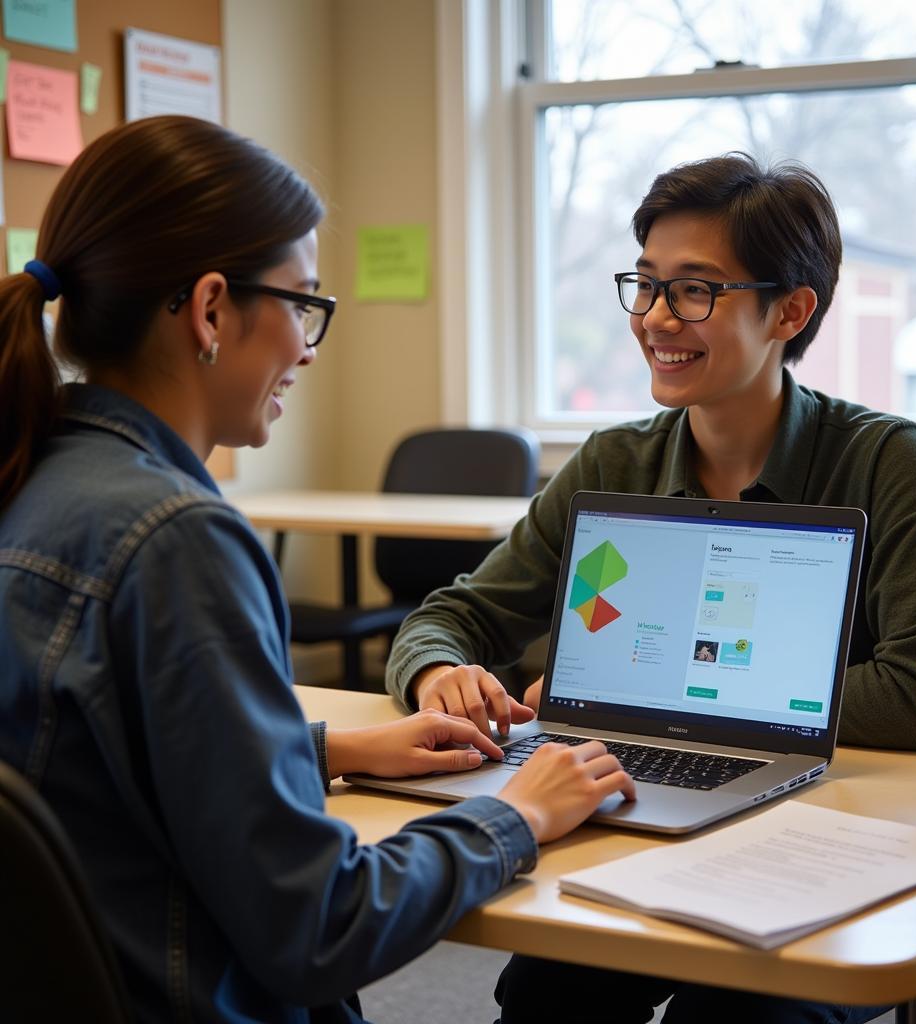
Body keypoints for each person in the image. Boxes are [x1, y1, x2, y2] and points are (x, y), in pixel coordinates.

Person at [0, 116, 635, 1023]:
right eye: (303, 305)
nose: (305, 345)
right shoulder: (177, 540)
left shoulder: (31, 475)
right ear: (212, 310)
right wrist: (518, 815)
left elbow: (86, 770)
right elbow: (320, 927)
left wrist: (328, 749)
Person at [385, 153, 916, 1023]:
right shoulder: (614, 461)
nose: (657, 318)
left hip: (819, 837)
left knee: (736, 1014)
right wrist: (440, 673)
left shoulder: (885, 458)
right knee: (549, 994)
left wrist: (645, 697)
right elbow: (454, 614)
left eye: (695, 290)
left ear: (791, 310)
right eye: (647, 286)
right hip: (641, 803)